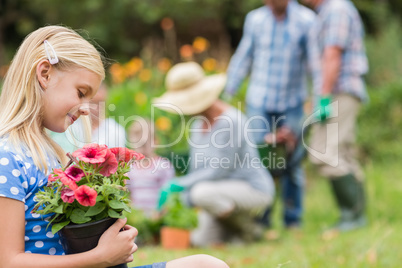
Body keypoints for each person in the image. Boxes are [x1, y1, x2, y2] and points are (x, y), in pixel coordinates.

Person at [0, 25, 229, 268]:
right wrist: (99, 257)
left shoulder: (50, 153)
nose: (87, 108)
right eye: (81, 93)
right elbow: (8, 261)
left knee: (208, 264)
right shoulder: (8, 156)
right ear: (44, 74)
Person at [153, 62, 275, 246]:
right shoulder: (196, 126)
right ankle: (236, 235)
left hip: (252, 189)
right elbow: (197, 171)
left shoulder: (232, 121)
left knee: (201, 193)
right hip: (219, 193)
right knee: (200, 241)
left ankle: (249, 230)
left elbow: (218, 171)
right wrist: (179, 198)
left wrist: (178, 185)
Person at [224, 0, 315, 229]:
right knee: (258, 159)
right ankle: (261, 220)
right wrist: (228, 91)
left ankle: (293, 220)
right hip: (260, 101)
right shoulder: (255, 19)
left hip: (292, 102)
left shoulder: (306, 20)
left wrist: (320, 96)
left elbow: (315, 63)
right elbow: (244, 56)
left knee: (291, 161)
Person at [302, 0, 368, 231]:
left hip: (339, 92)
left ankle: (351, 216)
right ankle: (356, 217)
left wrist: (324, 97)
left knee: (324, 154)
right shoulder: (326, 12)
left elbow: (332, 55)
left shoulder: (336, 9)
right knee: (342, 154)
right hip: (337, 92)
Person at [50, 82, 126, 152]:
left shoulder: (115, 130)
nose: (98, 108)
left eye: (101, 102)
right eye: (94, 103)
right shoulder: (72, 125)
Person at [126, 119, 175, 218]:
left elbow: (169, 193)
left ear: (155, 141)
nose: (142, 149)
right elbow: (128, 194)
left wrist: (161, 212)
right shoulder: (130, 168)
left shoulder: (163, 166)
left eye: (145, 144)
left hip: (157, 215)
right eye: (138, 145)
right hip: (137, 216)